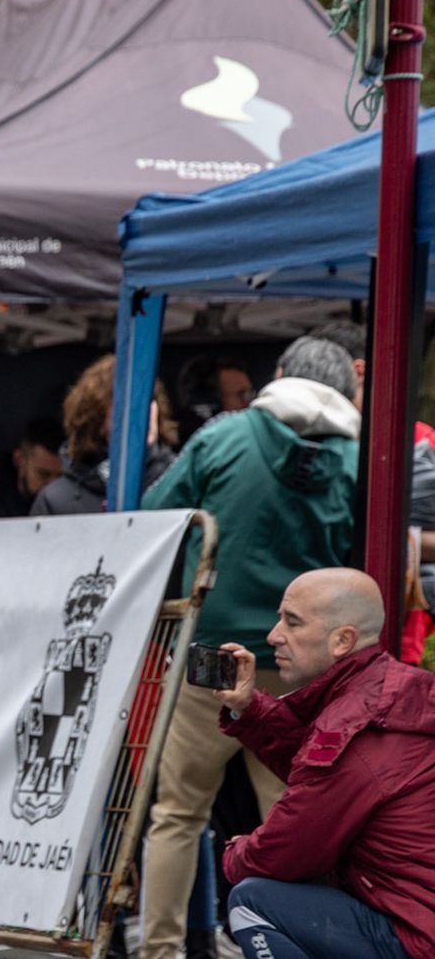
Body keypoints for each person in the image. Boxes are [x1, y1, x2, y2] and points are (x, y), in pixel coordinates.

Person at [135, 336, 361, 959]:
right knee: (295, 820)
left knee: (179, 814)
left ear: (280, 374)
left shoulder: (223, 437)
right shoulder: (359, 459)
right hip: (304, 670)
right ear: (346, 389)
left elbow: (155, 514)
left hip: (211, 657)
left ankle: (159, 951)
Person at [214, 568, 435, 959]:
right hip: (415, 918)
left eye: (292, 622)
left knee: (252, 899)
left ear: (342, 640)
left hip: (415, 937)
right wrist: (249, 711)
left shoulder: (355, 724)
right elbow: (322, 774)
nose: (273, 635)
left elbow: (286, 852)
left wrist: (234, 853)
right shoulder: (392, 690)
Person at [30, 354, 177, 515]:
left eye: (147, 401)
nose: (140, 414)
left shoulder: (179, 482)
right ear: (96, 417)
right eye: (126, 406)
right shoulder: (56, 501)